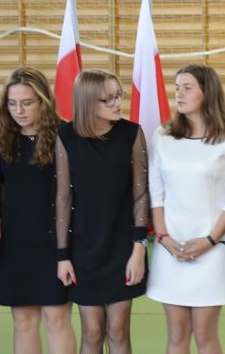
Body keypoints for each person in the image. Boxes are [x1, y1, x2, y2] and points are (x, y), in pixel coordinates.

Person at [55, 69, 149, 354]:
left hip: (122, 247)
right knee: (93, 332)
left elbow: (140, 193)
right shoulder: (67, 136)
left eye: (118, 95)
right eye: (108, 99)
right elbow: (63, 197)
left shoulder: (131, 133)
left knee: (117, 330)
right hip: (84, 249)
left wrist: (139, 248)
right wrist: (63, 255)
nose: (117, 103)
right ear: (87, 101)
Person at [147, 63, 225, 353]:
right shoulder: (162, 136)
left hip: (213, 247)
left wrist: (209, 241)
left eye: (187, 88)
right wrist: (164, 238)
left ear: (207, 92)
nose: (179, 94)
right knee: (176, 335)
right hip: (170, 247)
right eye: (177, 88)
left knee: (205, 335)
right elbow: (156, 193)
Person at [0, 67, 76, 354]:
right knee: (23, 321)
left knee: (57, 318)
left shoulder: (65, 135)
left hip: (55, 243)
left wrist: (66, 250)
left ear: (44, 101)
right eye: (12, 103)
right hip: (14, 244)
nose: (19, 110)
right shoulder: (0, 139)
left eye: (27, 103)